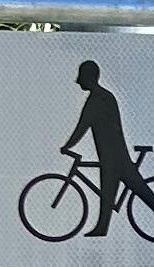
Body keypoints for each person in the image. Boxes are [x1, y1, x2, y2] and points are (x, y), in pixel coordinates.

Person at [61, 60, 142, 234]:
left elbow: (82, 127)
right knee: (113, 192)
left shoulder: (98, 99)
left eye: (81, 76)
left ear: (89, 77)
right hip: (111, 154)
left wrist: (67, 146)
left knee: (115, 191)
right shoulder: (102, 96)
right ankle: (102, 227)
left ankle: (102, 227)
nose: (77, 81)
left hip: (113, 156)